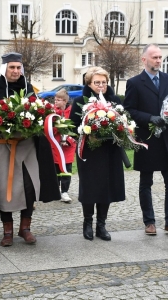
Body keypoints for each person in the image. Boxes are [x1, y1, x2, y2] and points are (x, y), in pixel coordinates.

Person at [0, 52, 60, 247]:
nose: (16, 71)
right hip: (4, 148)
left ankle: (25, 228)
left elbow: (39, 115)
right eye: (12, 67)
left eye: (18, 68)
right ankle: (7, 231)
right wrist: (0, 128)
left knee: (29, 187)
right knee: (5, 191)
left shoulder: (29, 89)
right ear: (4, 69)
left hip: (28, 148)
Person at [70, 66, 125, 241]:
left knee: (107, 186)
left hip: (110, 150)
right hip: (89, 151)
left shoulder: (114, 100)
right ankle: (87, 223)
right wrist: (86, 132)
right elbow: (72, 126)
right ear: (89, 83)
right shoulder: (80, 101)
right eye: (97, 82)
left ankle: (101, 225)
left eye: (103, 82)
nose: (101, 86)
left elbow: (123, 121)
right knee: (90, 186)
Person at [123, 43, 168, 235]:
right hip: (147, 139)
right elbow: (130, 110)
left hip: (166, 139)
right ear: (144, 59)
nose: (158, 61)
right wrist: (150, 118)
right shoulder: (134, 83)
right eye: (155, 57)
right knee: (145, 183)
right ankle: (149, 222)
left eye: (160, 57)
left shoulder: (167, 78)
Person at [52, 89, 76, 203]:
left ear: (65, 101)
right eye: (55, 100)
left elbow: (75, 129)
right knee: (56, 168)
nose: (55, 102)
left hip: (68, 147)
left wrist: (68, 139)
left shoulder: (72, 112)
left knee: (66, 169)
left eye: (58, 100)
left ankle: (65, 191)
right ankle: (55, 191)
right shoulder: (52, 112)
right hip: (56, 145)